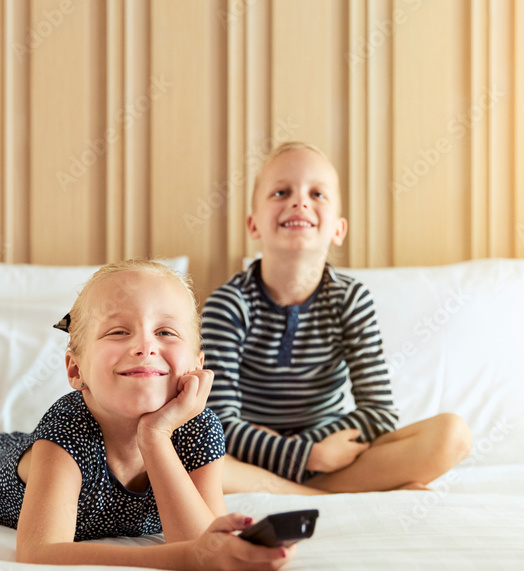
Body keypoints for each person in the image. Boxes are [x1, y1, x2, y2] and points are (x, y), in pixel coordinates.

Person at [0, 260, 293, 571]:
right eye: (119, 331)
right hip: (2, 474)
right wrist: (186, 558)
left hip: (28, 450)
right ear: (75, 370)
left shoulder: (196, 428)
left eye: (166, 332)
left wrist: (155, 436)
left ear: (197, 364)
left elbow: (200, 539)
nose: (145, 346)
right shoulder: (68, 431)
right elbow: (39, 552)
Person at [201, 141, 473, 495]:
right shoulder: (228, 304)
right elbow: (218, 422)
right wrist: (306, 455)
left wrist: (320, 452)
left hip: (336, 452)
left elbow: (379, 413)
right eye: (281, 192)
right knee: (193, 455)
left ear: (338, 230)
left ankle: (306, 488)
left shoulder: (349, 299)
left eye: (317, 194)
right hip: (249, 459)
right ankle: (325, 494)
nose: (299, 202)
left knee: (452, 435)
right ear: (254, 225)